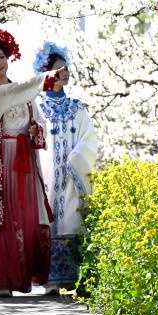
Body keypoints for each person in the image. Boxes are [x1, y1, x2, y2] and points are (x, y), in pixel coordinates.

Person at [0, 27, 65, 297]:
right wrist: (45, 79)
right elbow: (17, 93)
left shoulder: (24, 92)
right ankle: (4, 281)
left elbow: (39, 120)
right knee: (5, 218)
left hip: (25, 160)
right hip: (2, 159)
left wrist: (36, 130)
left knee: (32, 217)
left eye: (1, 57)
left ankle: (42, 278)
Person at [33, 41, 97, 295]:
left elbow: (88, 137)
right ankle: (49, 279)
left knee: (71, 217)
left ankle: (72, 277)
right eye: (59, 69)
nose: (65, 72)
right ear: (48, 74)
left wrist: (75, 159)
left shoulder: (78, 107)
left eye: (66, 68)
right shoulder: (38, 106)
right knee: (46, 219)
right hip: (47, 174)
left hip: (71, 175)